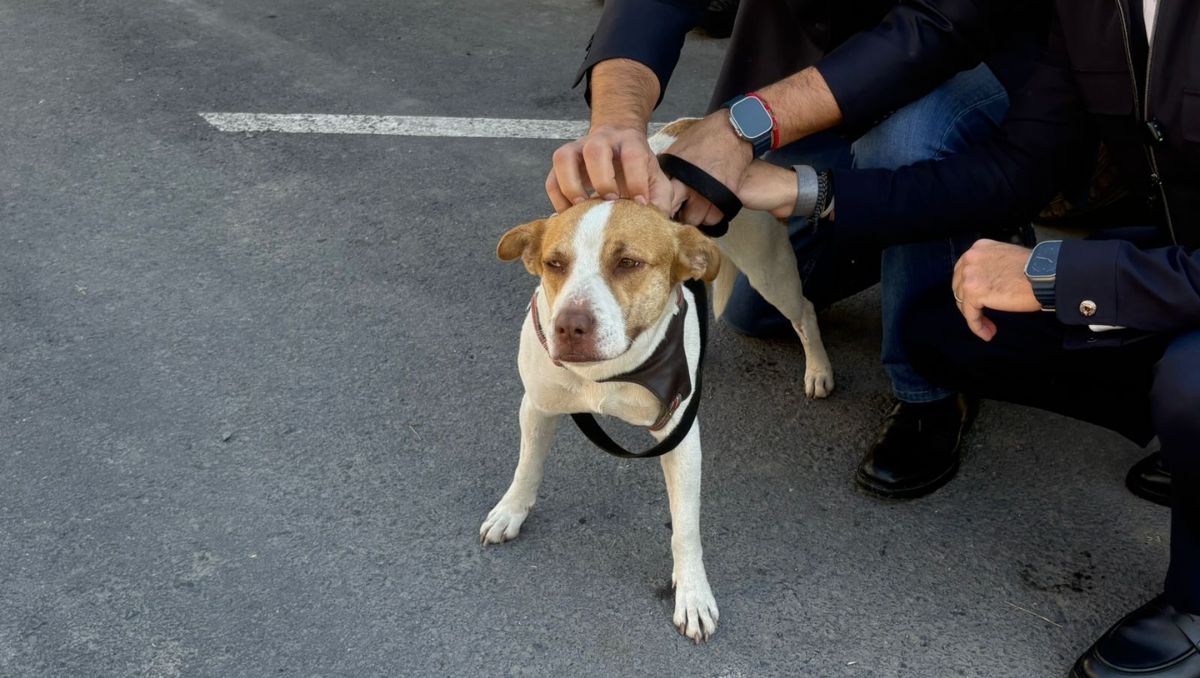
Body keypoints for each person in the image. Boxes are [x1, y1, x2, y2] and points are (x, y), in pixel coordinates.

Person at [719, 1, 1200, 675]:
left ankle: (1194, 609)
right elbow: (1019, 165)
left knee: (1192, 382)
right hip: (1176, 256)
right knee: (943, 336)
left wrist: (1062, 273)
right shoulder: (1093, 9)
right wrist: (811, 191)